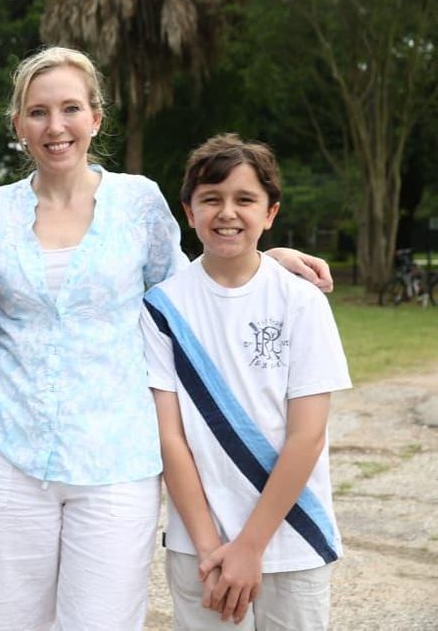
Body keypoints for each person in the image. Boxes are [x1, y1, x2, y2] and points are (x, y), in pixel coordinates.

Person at [0, 46, 334, 630]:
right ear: (18, 125)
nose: (54, 126)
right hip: (10, 451)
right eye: (38, 112)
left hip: (118, 454)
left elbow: (187, 288)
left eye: (69, 109)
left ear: (96, 118)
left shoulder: (138, 202)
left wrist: (267, 257)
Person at [140, 134, 351, 630]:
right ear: (188, 212)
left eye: (245, 199)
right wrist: (212, 547)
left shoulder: (301, 302)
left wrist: (251, 547)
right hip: (201, 546)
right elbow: (170, 438)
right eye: (211, 199)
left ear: (271, 212)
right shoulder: (162, 308)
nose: (227, 212)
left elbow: (308, 434)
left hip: (292, 539)